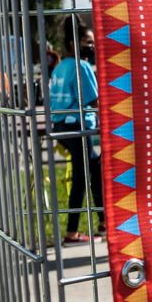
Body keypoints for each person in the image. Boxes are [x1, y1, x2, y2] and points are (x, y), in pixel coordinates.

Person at [46, 29, 102, 245]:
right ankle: (71, 233)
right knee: (81, 177)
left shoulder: (60, 66)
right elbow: (95, 100)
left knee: (94, 167)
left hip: (61, 127)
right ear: (72, 43)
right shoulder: (82, 66)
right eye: (87, 41)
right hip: (77, 126)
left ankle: (104, 222)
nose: (92, 45)